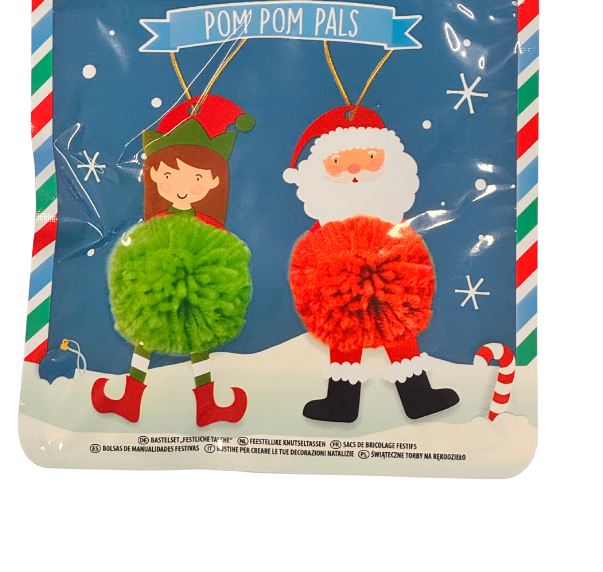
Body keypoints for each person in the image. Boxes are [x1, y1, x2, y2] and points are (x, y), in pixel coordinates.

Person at [284, 105, 459, 423]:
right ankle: (341, 403)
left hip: (391, 279)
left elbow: (411, 251)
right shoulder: (326, 223)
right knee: (343, 329)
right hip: (337, 283)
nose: (354, 168)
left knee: (397, 325)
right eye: (337, 162)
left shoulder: (392, 217)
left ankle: (417, 396)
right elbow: (309, 255)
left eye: (370, 158)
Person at [91, 95, 254, 424]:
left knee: (198, 337)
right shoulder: (156, 225)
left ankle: (207, 405)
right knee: (147, 333)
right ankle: (131, 399)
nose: (181, 187)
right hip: (154, 276)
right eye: (169, 176)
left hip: (203, 281)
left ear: (214, 180)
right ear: (154, 175)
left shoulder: (210, 230)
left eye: (196, 179)